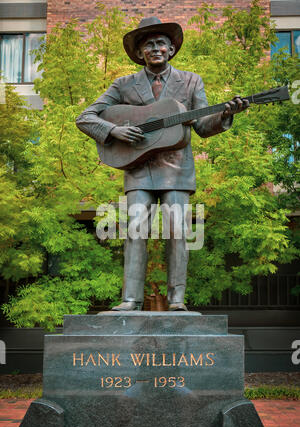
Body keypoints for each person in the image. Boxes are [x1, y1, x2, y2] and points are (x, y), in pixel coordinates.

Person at [76, 17, 249, 312]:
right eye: (148, 45)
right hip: (137, 168)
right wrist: (114, 131)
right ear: (141, 52)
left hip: (176, 168)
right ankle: (130, 299)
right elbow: (85, 117)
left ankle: (177, 299)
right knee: (135, 230)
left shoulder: (191, 81)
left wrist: (224, 115)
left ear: (171, 49)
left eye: (160, 44)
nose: (155, 48)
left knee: (178, 231)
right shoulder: (123, 85)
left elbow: (202, 127)